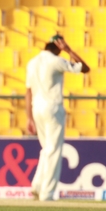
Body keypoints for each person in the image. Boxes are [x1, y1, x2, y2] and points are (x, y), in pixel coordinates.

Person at [25, 35, 90, 201]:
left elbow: (28, 91)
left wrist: (28, 118)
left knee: (46, 149)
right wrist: (68, 50)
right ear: (58, 47)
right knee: (53, 150)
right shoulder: (55, 60)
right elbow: (84, 68)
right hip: (52, 107)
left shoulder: (32, 62)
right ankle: (47, 193)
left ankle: (37, 186)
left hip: (36, 108)